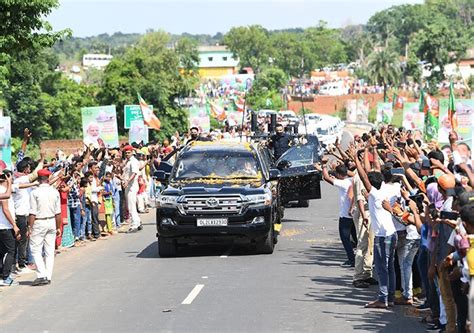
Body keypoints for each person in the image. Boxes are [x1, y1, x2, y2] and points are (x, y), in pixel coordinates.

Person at [315, 161, 356, 267]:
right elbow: (333, 175)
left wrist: (323, 165)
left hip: (345, 216)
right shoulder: (353, 179)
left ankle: (352, 259)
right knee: (356, 238)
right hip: (354, 215)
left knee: (345, 239)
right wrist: (322, 169)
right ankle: (358, 257)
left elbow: (327, 178)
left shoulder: (342, 183)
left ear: (338, 175)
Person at [28, 169, 61, 286]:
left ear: (38, 179)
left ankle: (41, 275)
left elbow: (32, 212)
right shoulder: (54, 192)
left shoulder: (34, 192)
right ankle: (48, 275)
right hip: (52, 221)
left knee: (36, 249)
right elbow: (58, 212)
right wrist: (58, 227)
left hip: (39, 222)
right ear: (48, 179)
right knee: (49, 250)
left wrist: (29, 227)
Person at [0, 172, 20, 286]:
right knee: (10, 251)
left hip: (4, 226)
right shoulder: (3, 190)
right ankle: (6, 277)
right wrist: (14, 225)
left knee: (3, 252)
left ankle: (4, 275)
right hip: (5, 226)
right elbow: (5, 210)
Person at [122, 145, 141, 233]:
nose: (127, 154)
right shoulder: (128, 161)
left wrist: (127, 181)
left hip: (131, 186)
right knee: (131, 205)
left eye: (128, 153)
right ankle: (138, 221)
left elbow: (134, 173)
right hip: (128, 185)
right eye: (126, 153)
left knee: (131, 205)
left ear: (132, 152)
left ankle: (134, 224)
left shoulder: (133, 161)